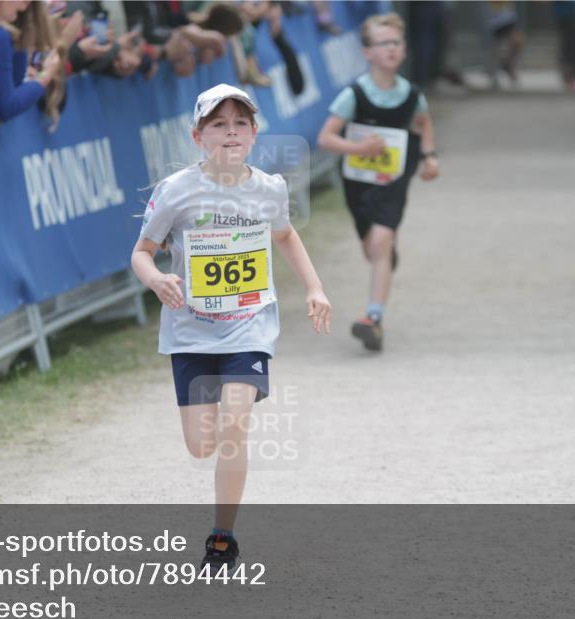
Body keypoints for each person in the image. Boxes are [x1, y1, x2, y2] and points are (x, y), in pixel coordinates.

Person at [131, 84, 331, 571]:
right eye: (219, 125)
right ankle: (219, 471)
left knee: (234, 426)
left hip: (249, 325)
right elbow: (142, 252)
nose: (231, 133)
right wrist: (157, 278)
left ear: (255, 134)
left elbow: (284, 234)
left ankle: (223, 537)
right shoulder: (177, 190)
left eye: (240, 124)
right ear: (199, 136)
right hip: (191, 331)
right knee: (202, 446)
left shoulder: (269, 188)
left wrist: (314, 288)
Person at [316, 13, 440, 353]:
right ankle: (384, 253)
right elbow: (326, 138)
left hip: (395, 177)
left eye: (396, 42)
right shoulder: (355, 94)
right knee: (373, 249)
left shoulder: (413, 95)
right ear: (367, 52)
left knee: (381, 241)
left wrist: (429, 157)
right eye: (383, 43)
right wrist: (358, 148)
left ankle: (373, 318)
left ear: (403, 50)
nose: (391, 48)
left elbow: (424, 124)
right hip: (359, 181)